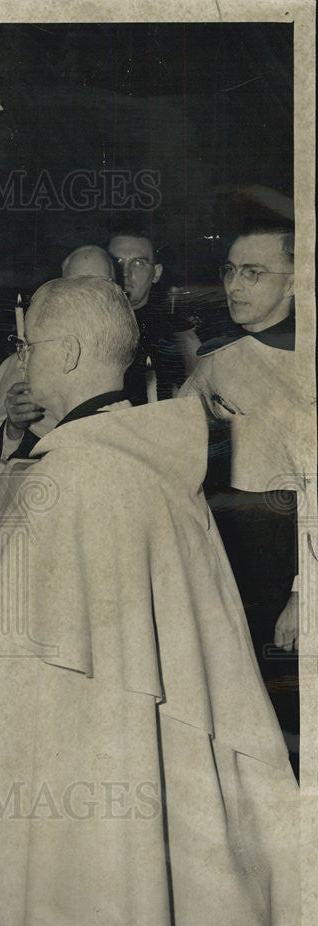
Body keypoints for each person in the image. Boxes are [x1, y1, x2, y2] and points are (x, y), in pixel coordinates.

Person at [0, 276, 300, 926]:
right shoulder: (142, 456)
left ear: (62, 353)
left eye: (28, 345)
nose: (23, 359)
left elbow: (10, 655)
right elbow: (14, 504)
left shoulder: (82, 479)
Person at [180, 222, 308, 762]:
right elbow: (170, 441)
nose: (235, 285)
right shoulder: (217, 358)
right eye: (230, 270)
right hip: (234, 548)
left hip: (297, 549)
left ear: (296, 280)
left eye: (253, 273)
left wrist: (307, 592)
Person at [0, 243, 115, 459]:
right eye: (75, 286)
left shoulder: (130, 360)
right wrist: (14, 427)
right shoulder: (23, 363)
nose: (86, 298)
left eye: (99, 285)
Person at [108, 226, 190, 403]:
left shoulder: (175, 337)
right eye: (118, 262)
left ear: (156, 273)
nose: (125, 274)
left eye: (138, 263)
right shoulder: (87, 325)